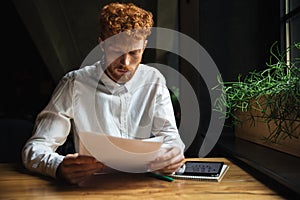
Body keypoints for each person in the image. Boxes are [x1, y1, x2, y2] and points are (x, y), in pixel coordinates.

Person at [22, 2, 185, 185]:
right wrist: (58, 167)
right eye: (116, 51)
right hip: (91, 188)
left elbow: (172, 139)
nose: (126, 63)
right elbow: (35, 148)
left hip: (143, 188)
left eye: (134, 53)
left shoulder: (154, 80)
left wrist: (173, 154)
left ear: (144, 47)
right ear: (102, 44)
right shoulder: (74, 83)